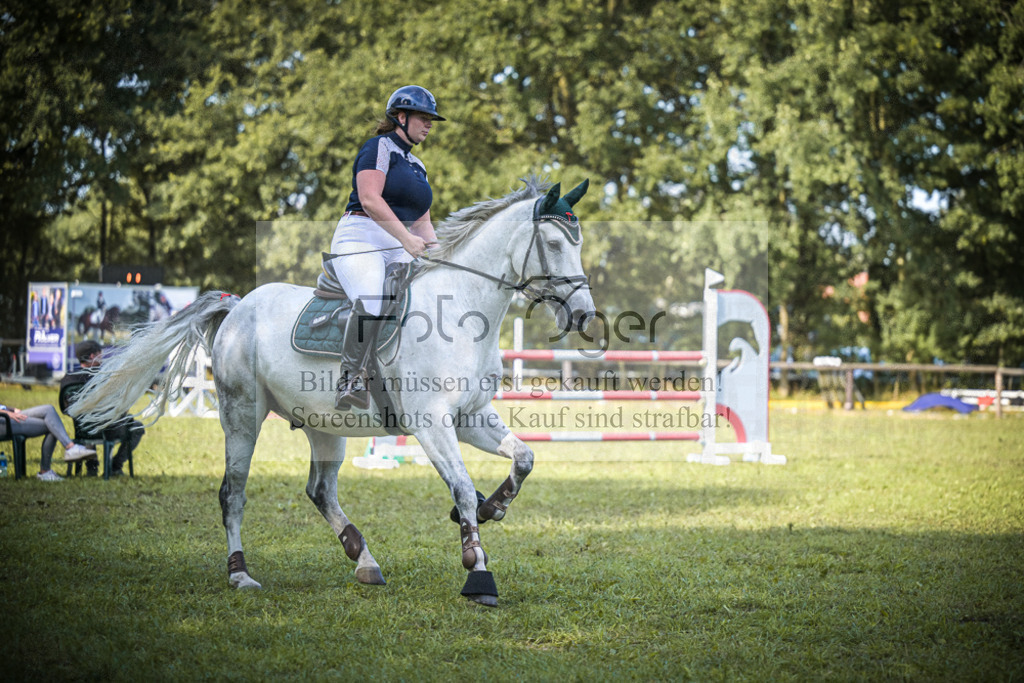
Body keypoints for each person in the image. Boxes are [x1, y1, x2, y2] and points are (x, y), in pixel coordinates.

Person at [327, 85, 445, 408]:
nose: (429, 124)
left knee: (425, 298)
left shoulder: (418, 166)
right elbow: (369, 199)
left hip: (398, 241)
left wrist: (440, 256)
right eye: (423, 117)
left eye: (431, 119)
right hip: (360, 236)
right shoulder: (378, 147)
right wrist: (406, 239)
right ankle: (350, 378)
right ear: (401, 117)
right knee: (372, 297)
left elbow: (422, 224)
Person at [59, 340, 144, 477]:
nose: (102, 357)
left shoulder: (68, 378)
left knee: (87, 419)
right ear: (93, 356)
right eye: (100, 353)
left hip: (82, 430)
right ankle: (115, 466)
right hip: (110, 430)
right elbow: (120, 406)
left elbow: (66, 409)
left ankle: (91, 467)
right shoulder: (107, 376)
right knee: (137, 427)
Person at [0, 400, 97, 482]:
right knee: (51, 425)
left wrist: (11, 409)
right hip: (3, 420)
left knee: (48, 410)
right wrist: (8, 413)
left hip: (5, 413)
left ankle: (70, 449)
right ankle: (47, 469)